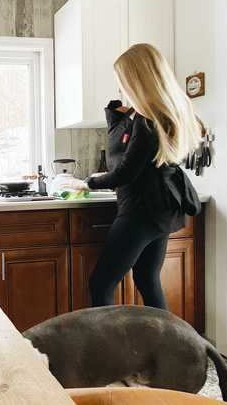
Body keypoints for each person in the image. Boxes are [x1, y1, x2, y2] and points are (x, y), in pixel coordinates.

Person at [86, 43, 201, 309]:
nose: (121, 88)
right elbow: (125, 146)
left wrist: (90, 182)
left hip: (140, 212)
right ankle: (163, 343)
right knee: (147, 280)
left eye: (123, 82)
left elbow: (125, 172)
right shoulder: (166, 113)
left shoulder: (147, 120)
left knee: (101, 284)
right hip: (162, 210)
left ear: (137, 80)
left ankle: (107, 348)